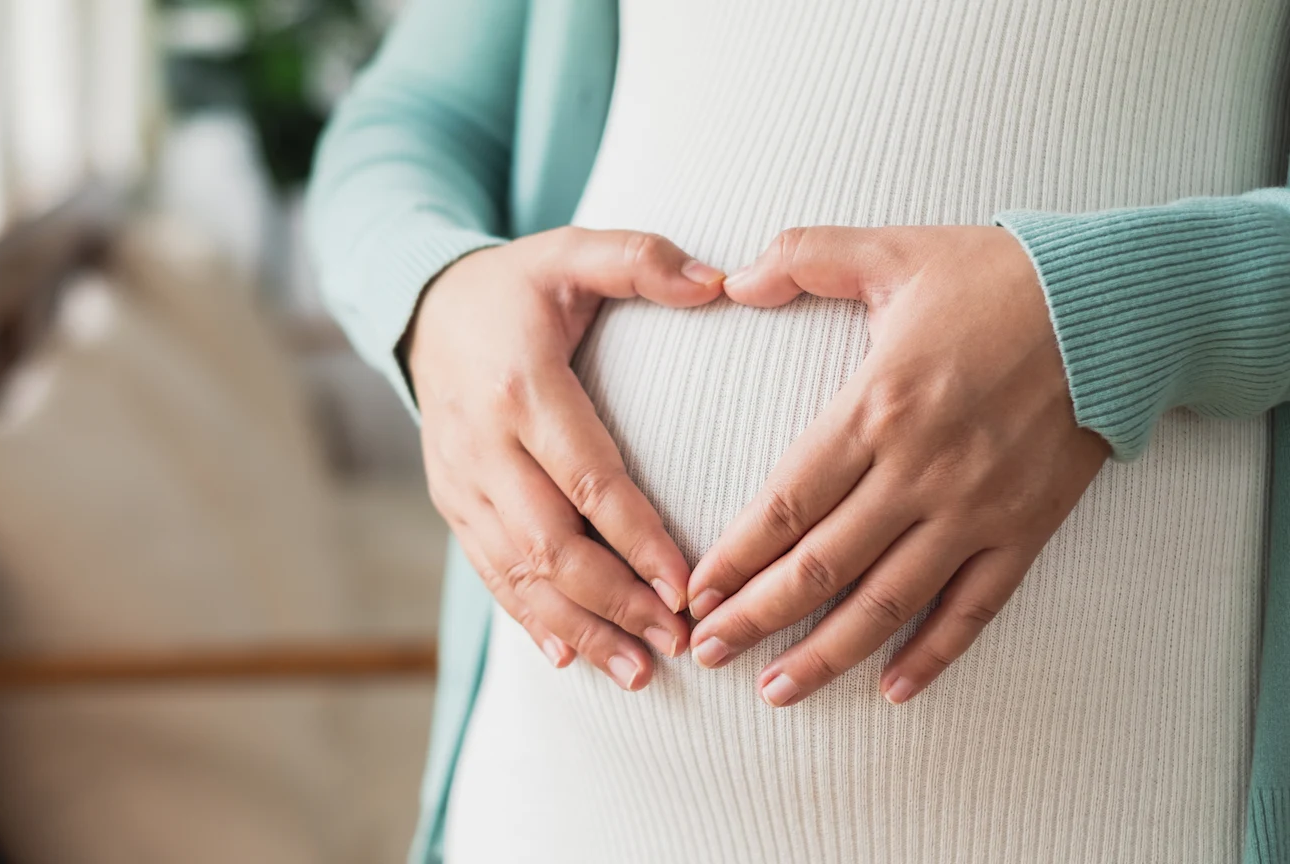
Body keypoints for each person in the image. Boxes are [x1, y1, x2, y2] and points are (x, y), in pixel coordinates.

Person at [306, 2, 1290, 862]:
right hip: (557, 802)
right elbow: (408, 124)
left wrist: (1132, 306)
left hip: (1127, 803)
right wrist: (434, 299)